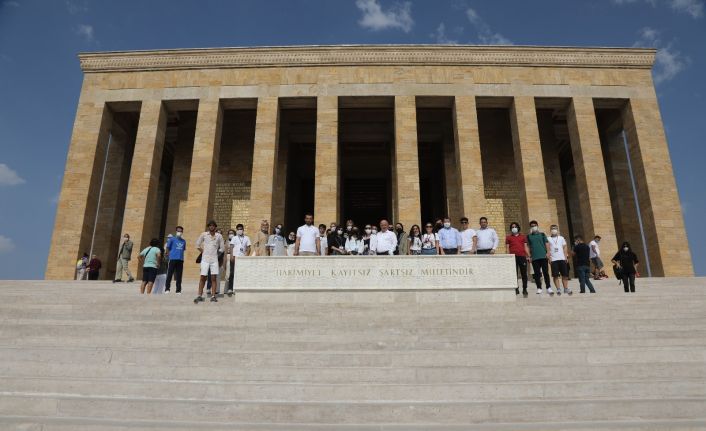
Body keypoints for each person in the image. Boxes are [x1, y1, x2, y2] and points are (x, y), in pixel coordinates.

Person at [194, 220, 224, 304]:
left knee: (213, 278)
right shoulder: (204, 234)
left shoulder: (219, 236)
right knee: (203, 277)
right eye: (210, 225)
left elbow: (222, 248)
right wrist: (203, 251)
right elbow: (197, 244)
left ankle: (213, 296)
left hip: (214, 260)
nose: (211, 227)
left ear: (215, 227)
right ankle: (199, 295)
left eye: (213, 225)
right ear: (208, 227)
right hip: (205, 259)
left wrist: (217, 254)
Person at [526, 220, 552, 295]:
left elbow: (547, 244)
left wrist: (548, 253)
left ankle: (548, 287)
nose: (533, 227)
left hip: (543, 256)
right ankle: (539, 288)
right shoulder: (529, 236)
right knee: (537, 274)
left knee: (545, 272)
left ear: (537, 226)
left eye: (534, 225)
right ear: (530, 227)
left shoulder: (542, 234)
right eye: (532, 226)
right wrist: (528, 256)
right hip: (534, 257)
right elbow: (527, 246)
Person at [505, 222, 530, 297]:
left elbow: (525, 247)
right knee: (514, 274)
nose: (514, 228)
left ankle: (525, 289)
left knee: (524, 274)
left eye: (515, 226)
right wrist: (508, 257)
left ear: (518, 228)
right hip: (513, 257)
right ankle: (516, 288)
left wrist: (529, 256)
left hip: (522, 256)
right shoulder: (508, 237)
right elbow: (507, 248)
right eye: (512, 227)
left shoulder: (523, 237)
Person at [548, 225, 572, 295]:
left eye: (555, 228)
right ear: (550, 230)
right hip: (554, 260)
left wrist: (565, 257)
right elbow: (548, 249)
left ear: (557, 229)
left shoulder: (561, 238)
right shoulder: (548, 238)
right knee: (555, 275)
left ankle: (566, 288)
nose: (554, 230)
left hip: (562, 259)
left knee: (565, 275)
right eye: (552, 229)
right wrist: (549, 258)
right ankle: (558, 289)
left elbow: (565, 247)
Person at [164, 226, 186, 294]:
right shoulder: (172, 239)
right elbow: (167, 248)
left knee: (179, 275)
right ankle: (167, 289)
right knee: (169, 274)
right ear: (176, 231)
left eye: (180, 231)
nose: (179, 232)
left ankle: (178, 290)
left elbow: (183, 249)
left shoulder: (183, 241)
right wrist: (167, 255)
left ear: (182, 232)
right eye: (178, 231)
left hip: (180, 259)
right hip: (172, 259)